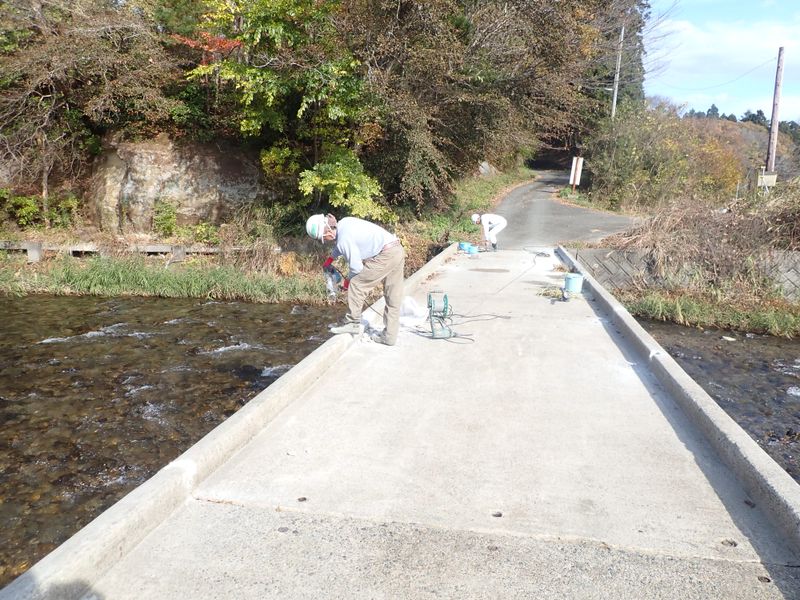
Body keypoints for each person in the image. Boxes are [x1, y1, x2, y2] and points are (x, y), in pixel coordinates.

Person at [306, 213, 405, 346]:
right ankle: (390, 336)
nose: (327, 240)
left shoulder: (343, 239)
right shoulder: (345, 223)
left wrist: (347, 283)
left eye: (324, 238)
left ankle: (352, 322)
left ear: (327, 230)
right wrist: (329, 260)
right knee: (393, 295)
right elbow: (340, 246)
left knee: (357, 284)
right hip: (397, 249)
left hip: (385, 255)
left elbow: (357, 268)